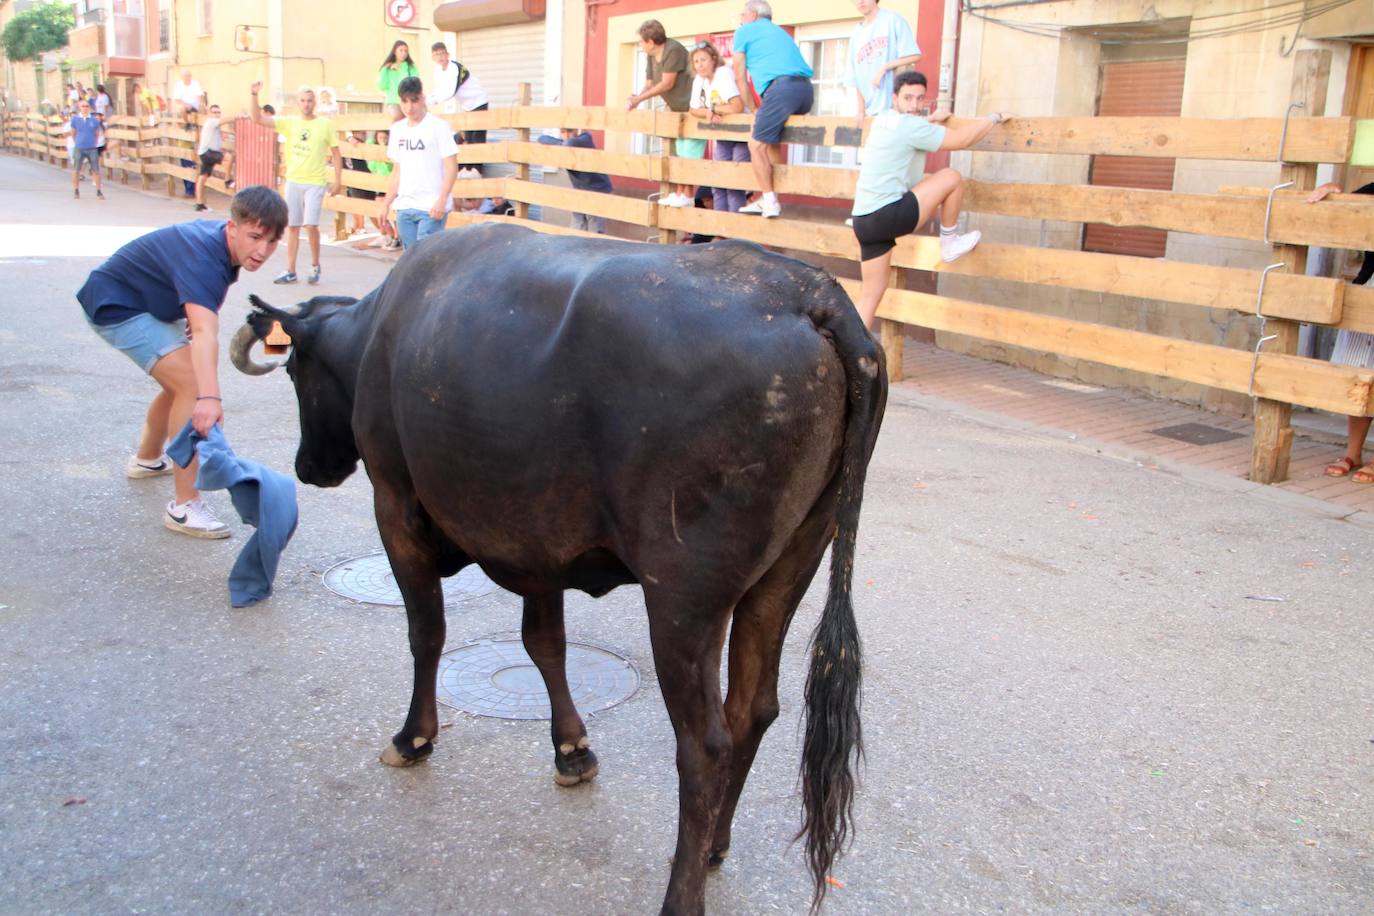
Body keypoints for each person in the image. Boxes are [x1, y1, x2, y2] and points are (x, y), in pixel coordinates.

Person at [76, 186, 289, 538]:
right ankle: (184, 505)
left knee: (180, 383)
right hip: (117, 305)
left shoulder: (223, 248)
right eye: (254, 237)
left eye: (270, 242)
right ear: (232, 226)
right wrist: (209, 398)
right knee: (190, 386)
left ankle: (147, 459)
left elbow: (199, 310)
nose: (262, 251)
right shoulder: (206, 256)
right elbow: (206, 332)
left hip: (146, 300)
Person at [850, 71, 1010, 328]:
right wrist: (992, 118)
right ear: (895, 98)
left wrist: (931, 121)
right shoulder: (912, 126)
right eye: (908, 98)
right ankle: (949, 241)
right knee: (951, 176)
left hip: (863, 220)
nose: (914, 105)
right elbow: (961, 139)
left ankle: (849, 363)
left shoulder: (883, 120)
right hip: (889, 214)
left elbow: (912, 131)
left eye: (920, 99)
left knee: (870, 296)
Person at [1310, 179, 1374, 483]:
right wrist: (1332, 191)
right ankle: (1353, 452)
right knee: (1358, 373)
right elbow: (1345, 203)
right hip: (1368, 289)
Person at [249, 81, 342, 284]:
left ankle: (315, 265)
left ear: (315, 103)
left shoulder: (325, 124)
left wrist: (337, 180)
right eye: (303, 100)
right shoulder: (290, 122)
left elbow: (336, 152)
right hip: (294, 180)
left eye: (310, 100)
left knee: (311, 224)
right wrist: (254, 95)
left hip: (315, 181)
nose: (306, 104)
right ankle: (290, 270)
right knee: (293, 226)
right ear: (298, 103)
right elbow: (257, 119)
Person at [731, 0, 815, 218]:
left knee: (756, 145)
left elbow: (739, 76)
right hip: (805, 90)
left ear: (752, 14)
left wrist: (753, 108)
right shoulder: (779, 32)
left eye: (742, 14)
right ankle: (772, 195)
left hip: (782, 89)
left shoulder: (745, 31)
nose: (740, 19)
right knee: (770, 143)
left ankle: (769, 201)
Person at [378, 77, 459, 250]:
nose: (409, 107)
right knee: (409, 262)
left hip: (431, 207)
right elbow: (397, 170)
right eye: (405, 101)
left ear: (422, 98)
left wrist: (442, 200)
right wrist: (386, 204)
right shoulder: (398, 130)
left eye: (414, 101)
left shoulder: (438, 127)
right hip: (405, 206)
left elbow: (451, 166)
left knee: (425, 259)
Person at [626, 20, 694, 208]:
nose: (639, 44)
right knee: (676, 151)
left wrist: (639, 100)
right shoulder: (650, 55)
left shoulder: (673, 50)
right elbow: (650, 83)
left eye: (641, 41)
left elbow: (666, 83)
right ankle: (676, 193)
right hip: (674, 108)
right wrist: (636, 98)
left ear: (651, 41)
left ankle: (686, 194)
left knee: (689, 153)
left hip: (691, 107)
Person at [687, 42, 749, 213]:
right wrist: (708, 111)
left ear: (713, 59)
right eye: (696, 61)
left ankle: (735, 230)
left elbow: (737, 106)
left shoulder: (723, 74)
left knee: (734, 182)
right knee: (719, 182)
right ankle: (721, 229)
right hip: (723, 133)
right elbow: (692, 109)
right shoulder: (700, 80)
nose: (700, 65)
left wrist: (713, 109)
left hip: (740, 132)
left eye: (703, 60)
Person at [848, 0, 920, 125]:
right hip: (870, 113)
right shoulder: (856, 34)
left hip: (895, 111)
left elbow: (915, 55)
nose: (860, 1)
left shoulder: (893, 20)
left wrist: (885, 67)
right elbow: (856, 78)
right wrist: (861, 111)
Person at [537, 128, 614, 233]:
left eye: (569, 131)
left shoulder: (585, 138)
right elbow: (541, 138)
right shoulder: (564, 144)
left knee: (595, 230)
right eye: (563, 132)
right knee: (577, 227)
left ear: (576, 130)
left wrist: (560, 144)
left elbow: (570, 143)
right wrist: (561, 144)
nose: (566, 135)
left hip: (597, 190)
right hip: (579, 190)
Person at [428, 42, 490, 144]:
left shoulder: (454, 68)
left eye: (442, 53)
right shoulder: (437, 71)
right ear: (433, 57)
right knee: (468, 139)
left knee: (477, 140)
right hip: (467, 106)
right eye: (436, 54)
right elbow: (438, 90)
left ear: (447, 55)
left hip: (479, 102)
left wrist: (430, 101)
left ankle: (477, 159)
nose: (440, 57)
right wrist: (426, 100)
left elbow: (449, 92)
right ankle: (460, 139)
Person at [66, 98, 105, 201]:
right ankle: (76, 189)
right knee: (76, 170)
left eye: (87, 106)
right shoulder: (75, 119)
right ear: (79, 108)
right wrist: (77, 141)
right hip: (79, 147)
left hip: (91, 147)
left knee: (96, 170)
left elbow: (97, 134)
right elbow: (73, 133)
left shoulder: (94, 120)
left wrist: (94, 143)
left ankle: (98, 190)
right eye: (83, 106)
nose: (85, 108)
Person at [368, 130, 401, 249]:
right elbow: (371, 166)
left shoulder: (391, 151)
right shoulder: (376, 151)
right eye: (380, 138)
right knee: (380, 213)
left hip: (391, 184)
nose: (382, 140)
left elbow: (391, 167)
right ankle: (390, 235)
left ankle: (397, 237)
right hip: (379, 184)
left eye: (384, 138)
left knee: (395, 213)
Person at [194, 103, 229, 212]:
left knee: (202, 178)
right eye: (214, 112)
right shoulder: (212, 122)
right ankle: (228, 179)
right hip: (208, 152)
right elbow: (226, 120)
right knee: (228, 157)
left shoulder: (213, 124)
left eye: (218, 112)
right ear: (209, 113)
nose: (217, 114)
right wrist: (239, 117)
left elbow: (215, 137)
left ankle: (199, 203)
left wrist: (221, 136)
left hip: (206, 152)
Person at [377, 40, 419, 120]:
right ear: (394, 51)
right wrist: (385, 69)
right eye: (401, 50)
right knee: (397, 118)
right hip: (393, 101)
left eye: (406, 51)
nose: (404, 53)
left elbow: (411, 85)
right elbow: (382, 86)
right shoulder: (387, 68)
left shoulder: (411, 67)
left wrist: (400, 70)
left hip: (409, 101)